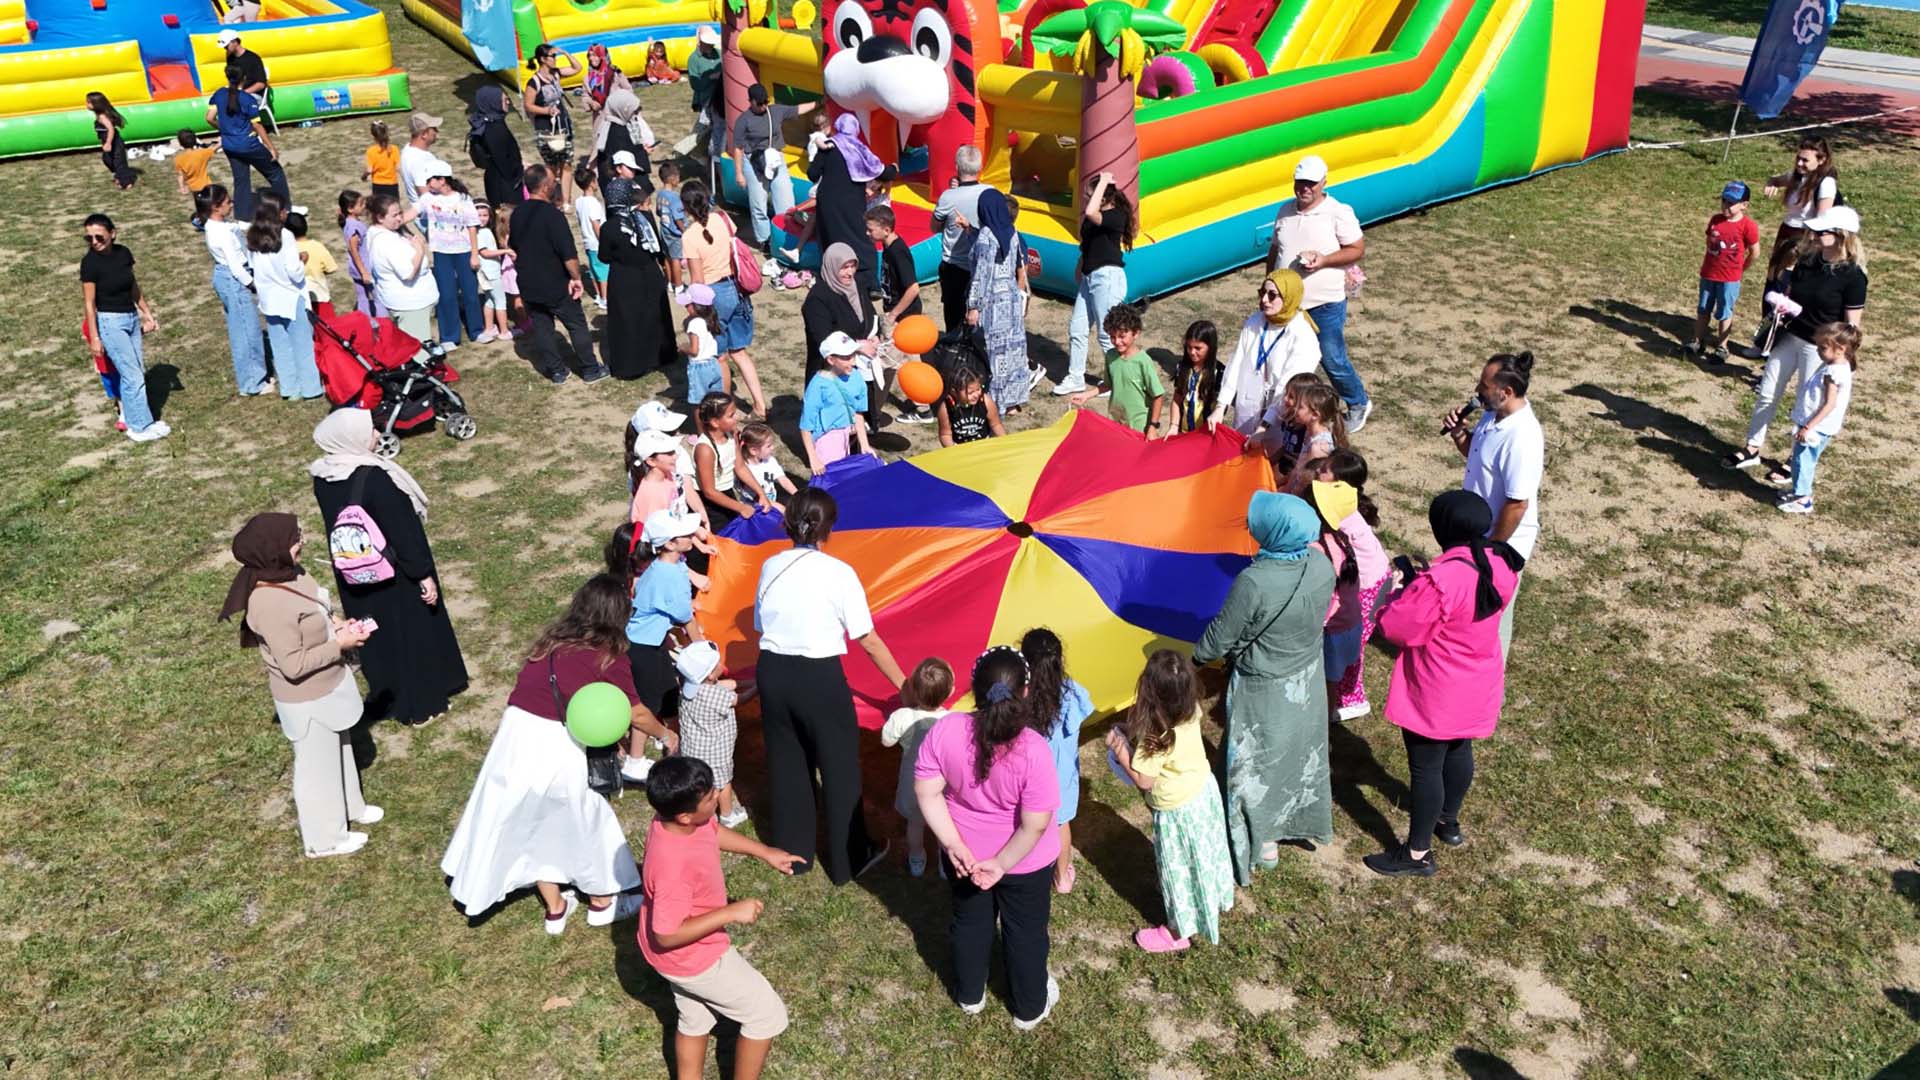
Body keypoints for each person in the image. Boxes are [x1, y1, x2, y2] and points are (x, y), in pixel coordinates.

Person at [440, 574, 646, 931]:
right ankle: (602, 900)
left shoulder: (550, 643)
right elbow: (635, 711)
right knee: (585, 816)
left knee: (522, 818)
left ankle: (555, 907)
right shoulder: (608, 657)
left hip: (516, 736)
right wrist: (666, 735)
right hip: (559, 741)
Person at [1361, 491, 1523, 877]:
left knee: (1425, 768)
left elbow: (1399, 629)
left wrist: (1402, 589)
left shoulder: (1441, 581)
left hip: (1437, 688)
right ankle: (1448, 821)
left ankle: (1417, 854)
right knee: (1459, 748)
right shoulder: (1501, 563)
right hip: (1477, 678)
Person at [754, 488, 907, 883]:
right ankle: (848, 861)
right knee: (839, 769)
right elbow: (867, 638)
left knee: (788, 764)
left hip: (772, 672)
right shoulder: (839, 573)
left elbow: (760, 625)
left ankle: (794, 855)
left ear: (789, 525)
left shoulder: (770, 566)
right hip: (819, 677)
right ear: (829, 530)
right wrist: (904, 685)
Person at [1192, 492, 1337, 883]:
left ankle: (1263, 839)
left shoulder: (1255, 581)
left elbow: (1222, 637)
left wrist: (1194, 661)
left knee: (1257, 762)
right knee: (1296, 750)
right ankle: (1298, 819)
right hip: (1306, 675)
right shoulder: (1322, 564)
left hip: (1264, 682)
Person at [914, 647, 1062, 1029]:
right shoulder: (1035, 750)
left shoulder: (945, 730)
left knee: (969, 921)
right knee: (1025, 932)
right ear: (1026, 692)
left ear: (974, 690)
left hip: (965, 854)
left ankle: (970, 995)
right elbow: (1034, 825)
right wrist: (1001, 863)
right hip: (1024, 862)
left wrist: (953, 845)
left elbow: (927, 793)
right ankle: (1029, 1009)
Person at [222, 512, 380, 858]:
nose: (302, 542)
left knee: (339, 750)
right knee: (315, 769)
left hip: (329, 685)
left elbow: (318, 611)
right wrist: (340, 645)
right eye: (295, 539)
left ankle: (350, 808)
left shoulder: (293, 573)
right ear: (273, 549)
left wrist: (340, 626)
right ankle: (324, 840)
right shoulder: (267, 603)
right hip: (307, 699)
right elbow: (293, 666)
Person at [640, 756, 800, 1080]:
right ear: (685, 815)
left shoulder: (678, 821)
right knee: (766, 1015)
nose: (718, 797)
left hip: (673, 961)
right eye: (711, 796)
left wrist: (764, 851)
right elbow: (667, 934)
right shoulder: (672, 867)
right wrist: (730, 912)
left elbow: (711, 835)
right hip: (694, 958)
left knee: (694, 1019)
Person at [310, 408, 468, 726]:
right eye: (370, 431)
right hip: (394, 574)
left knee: (376, 637)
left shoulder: (323, 475)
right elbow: (404, 532)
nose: (377, 436)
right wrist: (422, 574)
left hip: (355, 572)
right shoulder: (375, 477)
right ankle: (422, 702)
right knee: (411, 635)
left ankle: (388, 693)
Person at [1724, 207, 1867, 484]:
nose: (1811, 235)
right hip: (1789, 337)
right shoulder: (1807, 260)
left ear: (1840, 236)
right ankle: (1752, 448)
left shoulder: (1854, 277)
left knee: (1808, 403)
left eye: (1819, 231)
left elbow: (1852, 327)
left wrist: (1843, 361)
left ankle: (1794, 459)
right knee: (1767, 391)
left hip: (1820, 350)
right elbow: (1792, 295)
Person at [1105, 650, 1235, 951]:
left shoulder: (1156, 735)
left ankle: (1177, 933)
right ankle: (1211, 896)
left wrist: (1120, 748)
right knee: (1203, 855)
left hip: (1177, 811)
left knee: (1177, 867)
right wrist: (1132, 732)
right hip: (1202, 793)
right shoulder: (1190, 710)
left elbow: (1144, 779)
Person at [1444, 350, 1543, 658]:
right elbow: (1479, 456)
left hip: (1502, 542)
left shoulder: (1523, 438)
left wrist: (1490, 550)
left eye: (1483, 385)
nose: (1477, 390)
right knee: (1473, 609)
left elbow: (1517, 504)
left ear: (1507, 391)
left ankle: (1489, 683)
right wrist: (1461, 435)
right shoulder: (1493, 414)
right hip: (1480, 534)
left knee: (1493, 615)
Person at [1266, 155, 1369, 431]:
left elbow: (1356, 249)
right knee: (1288, 358)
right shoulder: (1285, 212)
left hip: (1324, 303)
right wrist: (1269, 284)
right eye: (1300, 182)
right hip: (1288, 304)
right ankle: (1291, 410)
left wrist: (1323, 260)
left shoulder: (1337, 212)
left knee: (1331, 357)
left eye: (1310, 183)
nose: (1304, 188)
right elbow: (1275, 250)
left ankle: (1358, 402)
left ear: (1323, 182)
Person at [511, 163, 609, 384]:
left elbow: (515, 246)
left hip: (528, 283)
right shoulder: (553, 216)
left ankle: (556, 371)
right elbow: (568, 254)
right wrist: (576, 278)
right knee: (576, 324)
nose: (556, 184)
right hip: (555, 283)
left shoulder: (517, 213)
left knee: (543, 328)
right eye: (553, 182)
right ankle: (591, 369)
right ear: (545, 186)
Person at [622, 508, 701, 781]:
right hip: (645, 648)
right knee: (651, 702)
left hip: (649, 643)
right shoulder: (667, 574)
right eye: (686, 535)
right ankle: (635, 761)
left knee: (667, 697)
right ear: (669, 543)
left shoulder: (670, 565)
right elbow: (684, 616)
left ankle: (673, 750)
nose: (692, 536)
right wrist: (702, 649)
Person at [1310, 451, 1388, 720]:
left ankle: (1353, 698)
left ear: (1339, 483)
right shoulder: (1340, 504)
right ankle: (1341, 691)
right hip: (1366, 580)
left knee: (1353, 644)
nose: (1320, 471)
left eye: (1325, 470)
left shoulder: (1337, 514)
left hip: (1368, 585)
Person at [680, 180, 768, 414]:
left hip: (713, 295)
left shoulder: (690, 237)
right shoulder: (723, 219)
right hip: (736, 288)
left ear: (686, 207)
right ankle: (760, 405)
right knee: (739, 350)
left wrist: (693, 309)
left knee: (719, 356)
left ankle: (724, 408)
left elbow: (697, 279)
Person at [79, 214, 167, 442]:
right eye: (88, 238)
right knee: (132, 375)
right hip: (110, 322)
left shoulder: (123, 254)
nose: (94, 241)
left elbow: (133, 286)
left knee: (136, 370)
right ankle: (139, 427)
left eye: (99, 236)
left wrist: (146, 312)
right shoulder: (90, 264)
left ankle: (140, 420)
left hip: (129, 318)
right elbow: (89, 304)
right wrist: (95, 337)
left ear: (112, 233)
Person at [1018, 629, 1089, 895]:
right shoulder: (1073, 694)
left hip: (1031, 778)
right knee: (1060, 825)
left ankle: (1025, 868)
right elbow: (1079, 719)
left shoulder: (1020, 697)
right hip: (1062, 779)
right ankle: (1062, 878)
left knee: (1026, 824)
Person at [1751, 136, 1838, 354]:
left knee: (1787, 291)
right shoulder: (1796, 177)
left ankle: (1777, 345)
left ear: (1821, 159)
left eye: (1805, 160)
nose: (1799, 164)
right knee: (1772, 287)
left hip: (1804, 238)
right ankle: (1764, 341)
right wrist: (1771, 182)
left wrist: (1807, 249)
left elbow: (1823, 221)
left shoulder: (1825, 184)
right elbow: (1776, 179)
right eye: (1798, 158)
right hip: (1786, 233)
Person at [1209, 270, 1322, 434]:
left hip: (1281, 412)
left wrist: (1265, 425)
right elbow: (1236, 363)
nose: (1264, 300)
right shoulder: (1255, 321)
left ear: (1289, 297)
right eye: (1262, 293)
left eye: (1272, 295)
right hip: (1248, 404)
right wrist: (1221, 405)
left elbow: (1290, 385)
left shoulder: (1302, 335)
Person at [598, 156, 677, 379]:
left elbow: (604, 256)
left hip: (624, 278)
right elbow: (657, 249)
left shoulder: (610, 228)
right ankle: (661, 356)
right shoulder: (644, 217)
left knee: (629, 321)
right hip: (650, 272)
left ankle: (633, 365)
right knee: (654, 315)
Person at [1059, 171, 1133, 396]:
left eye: (1089, 195)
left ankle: (1116, 380)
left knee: (1107, 332)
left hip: (1107, 278)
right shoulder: (1092, 218)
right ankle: (1075, 377)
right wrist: (1080, 266)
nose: (1085, 200)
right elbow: (1087, 243)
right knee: (1077, 328)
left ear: (1103, 198)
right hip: (1090, 277)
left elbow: (1091, 211)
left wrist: (1102, 181)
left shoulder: (1114, 217)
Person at [881, 658, 956, 877]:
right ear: (951, 691)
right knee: (945, 827)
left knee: (915, 824)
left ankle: (916, 859)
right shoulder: (952, 720)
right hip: (943, 786)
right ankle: (945, 865)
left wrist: (893, 721)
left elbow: (887, 740)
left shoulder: (902, 717)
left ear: (912, 689)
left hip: (913, 784)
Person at [1778, 322, 1861, 515]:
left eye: (1822, 348)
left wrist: (1808, 426)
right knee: (1806, 459)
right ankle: (1798, 492)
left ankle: (1803, 499)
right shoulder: (1843, 366)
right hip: (1825, 426)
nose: (1818, 351)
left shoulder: (1832, 372)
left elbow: (1829, 404)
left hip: (1817, 427)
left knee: (1802, 460)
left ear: (1840, 349)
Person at [245, 195, 321, 399]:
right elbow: (294, 272)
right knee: (303, 344)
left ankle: (289, 388)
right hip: (291, 297)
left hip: (269, 300)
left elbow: (254, 267)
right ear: (276, 214)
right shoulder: (285, 235)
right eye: (283, 210)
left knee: (281, 346)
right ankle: (311, 388)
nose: (287, 213)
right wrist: (302, 258)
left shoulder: (252, 236)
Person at [965, 189, 1033, 414]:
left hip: (992, 303)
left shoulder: (986, 235)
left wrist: (973, 305)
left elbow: (981, 274)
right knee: (1012, 351)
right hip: (1011, 300)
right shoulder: (1010, 232)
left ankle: (995, 404)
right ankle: (1012, 401)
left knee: (994, 353)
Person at [199, 184, 270, 396]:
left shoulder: (215, 226)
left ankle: (252, 378)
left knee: (240, 328)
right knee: (248, 332)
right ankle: (253, 383)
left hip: (225, 278)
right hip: (234, 279)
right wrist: (253, 284)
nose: (231, 204)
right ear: (216, 207)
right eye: (228, 202)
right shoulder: (222, 233)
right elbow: (235, 265)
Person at [674, 640, 751, 827]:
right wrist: (757, 688)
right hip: (716, 752)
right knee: (722, 783)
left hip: (694, 750)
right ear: (709, 674)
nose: (721, 665)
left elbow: (724, 685)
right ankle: (727, 815)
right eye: (717, 664)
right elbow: (738, 699)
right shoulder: (715, 696)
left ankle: (698, 808)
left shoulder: (688, 689)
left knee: (699, 782)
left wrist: (742, 682)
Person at [1687, 180, 1760, 362]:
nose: (1726, 206)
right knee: (1703, 308)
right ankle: (1697, 340)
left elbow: (1755, 252)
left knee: (1724, 311)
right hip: (1709, 274)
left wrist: (1741, 270)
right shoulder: (1715, 220)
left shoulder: (1747, 226)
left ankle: (1722, 346)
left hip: (1730, 279)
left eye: (1731, 203)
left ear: (1744, 205)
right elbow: (1709, 241)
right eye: (1724, 201)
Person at [416, 162, 487, 346]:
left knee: (470, 293)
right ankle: (449, 336)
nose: (427, 183)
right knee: (446, 295)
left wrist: (474, 254)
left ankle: (476, 330)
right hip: (441, 253)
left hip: (463, 252)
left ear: (442, 180)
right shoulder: (428, 199)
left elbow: (472, 226)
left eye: (430, 179)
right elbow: (411, 213)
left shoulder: (463, 199)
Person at [809, 113, 884, 286]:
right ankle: (870, 282)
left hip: (828, 203)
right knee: (860, 238)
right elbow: (878, 169)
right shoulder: (860, 149)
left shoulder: (828, 147)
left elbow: (813, 174)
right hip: (854, 203)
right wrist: (893, 170)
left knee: (830, 238)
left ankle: (832, 278)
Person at [730, 85, 807, 253]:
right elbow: (738, 148)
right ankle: (764, 240)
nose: (764, 107)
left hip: (774, 159)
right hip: (754, 162)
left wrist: (820, 103)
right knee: (758, 203)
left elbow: (797, 109)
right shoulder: (743, 120)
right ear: (750, 102)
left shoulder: (775, 111)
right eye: (760, 104)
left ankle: (785, 235)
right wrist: (739, 173)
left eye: (766, 102)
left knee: (786, 201)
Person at [206, 62, 287, 220]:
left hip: (230, 145)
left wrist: (224, 129)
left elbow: (209, 118)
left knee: (241, 180)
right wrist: (271, 147)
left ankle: (242, 217)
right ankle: (284, 209)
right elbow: (257, 125)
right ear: (244, 78)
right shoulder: (247, 99)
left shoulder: (219, 94)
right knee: (275, 173)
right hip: (248, 144)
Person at [801, 242, 880, 387]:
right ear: (832, 266)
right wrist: (857, 346)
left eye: (852, 266)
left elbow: (870, 316)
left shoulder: (857, 286)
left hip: (860, 372)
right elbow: (823, 340)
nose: (850, 272)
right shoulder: (818, 298)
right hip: (831, 375)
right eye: (844, 267)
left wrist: (875, 336)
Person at [365, 193, 440, 342]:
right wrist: (419, 249)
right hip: (410, 305)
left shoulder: (388, 233)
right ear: (380, 218)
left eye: (400, 213)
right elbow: (408, 273)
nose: (400, 218)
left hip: (413, 303)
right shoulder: (386, 242)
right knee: (418, 349)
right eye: (394, 215)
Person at [931, 147, 991, 330]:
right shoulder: (990, 192)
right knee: (980, 317)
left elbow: (934, 227)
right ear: (980, 167)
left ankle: (954, 352)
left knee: (954, 318)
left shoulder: (948, 197)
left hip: (954, 266)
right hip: (982, 264)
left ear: (956, 167)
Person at [800, 333, 875, 475]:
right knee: (831, 480)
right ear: (831, 359)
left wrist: (864, 444)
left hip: (848, 435)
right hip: (827, 439)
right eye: (846, 357)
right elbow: (805, 426)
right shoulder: (818, 385)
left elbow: (858, 412)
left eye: (853, 355)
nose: (852, 361)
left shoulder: (857, 376)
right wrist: (813, 458)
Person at [524, 43, 583, 206]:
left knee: (567, 164)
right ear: (543, 59)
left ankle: (566, 200)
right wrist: (546, 110)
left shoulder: (556, 74)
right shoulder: (534, 82)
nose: (555, 59)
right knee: (551, 167)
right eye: (553, 56)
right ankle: (551, 199)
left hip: (563, 125)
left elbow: (577, 68)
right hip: (546, 129)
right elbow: (528, 105)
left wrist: (565, 53)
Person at [1096, 303, 1166, 437]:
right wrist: (1086, 395)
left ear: (1136, 333)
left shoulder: (1143, 362)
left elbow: (1158, 395)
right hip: (1115, 421)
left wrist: (1152, 426)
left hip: (1139, 427)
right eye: (1112, 336)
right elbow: (1108, 385)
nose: (1117, 342)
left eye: (1122, 336)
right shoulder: (1111, 356)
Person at [692, 392, 760, 531]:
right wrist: (741, 507)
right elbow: (709, 491)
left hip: (727, 494)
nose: (737, 417)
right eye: (731, 415)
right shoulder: (705, 449)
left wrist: (761, 493)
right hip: (711, 505)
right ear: (715, 422)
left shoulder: (731, 435)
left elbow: (740, 467)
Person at [466, 84, 525, 209]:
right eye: (504, 100)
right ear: (493, 103)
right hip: (505, 186)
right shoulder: (495, 129)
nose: (508, 102)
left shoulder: (488, 122)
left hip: (496, 178)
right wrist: (519, 170)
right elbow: (504, 162)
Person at [592, 87, 655, 193]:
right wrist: (643, 152)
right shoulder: (617, 132)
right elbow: (625, 158)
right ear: (621, 109)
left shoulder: (616, 125)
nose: (635, 114)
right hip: (623, 189)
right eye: (633, 111)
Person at [1172, 320, 1223, 434]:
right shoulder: (1182, 367)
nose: (1192, 352)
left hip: (1206, 434)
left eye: (1198, 348)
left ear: (1210, 347)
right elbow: (1177, 399)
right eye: (1189, 347)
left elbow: (1221, 407)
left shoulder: (1219, 372)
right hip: (1183, 432)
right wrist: (1174, 426)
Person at [339, 189, 382, 319]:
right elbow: (354, 250)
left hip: (356, 268)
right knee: (377, 297)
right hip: (364, 268)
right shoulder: (354, 227)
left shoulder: (349, 223)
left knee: (362, 297)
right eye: (361, 204)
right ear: (351, 209)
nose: (364, 206)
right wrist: (364, 271)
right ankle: (381, 321)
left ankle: (366, 322)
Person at [218, 27, 272, 126]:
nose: (225, 49)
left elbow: (261, 84)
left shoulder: (253, 58)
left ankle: (241, 130)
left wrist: (241, 93)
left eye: (226, 46)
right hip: (238, 92)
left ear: (235, 42)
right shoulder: (230, 58)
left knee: (236, 102)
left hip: (253, 94)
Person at [937, 367, 1005, 446]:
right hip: (959, 448)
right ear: (954, 392)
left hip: (985, 444)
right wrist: (953, 452)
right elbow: (945, 435)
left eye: (978, 389)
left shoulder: (985, 401)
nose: (976, 395)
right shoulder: (946, 408)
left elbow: (996, 424)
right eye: (970, 392)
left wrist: (1004, 442)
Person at [688, 26, 725, 164]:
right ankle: (695, 151)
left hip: (721, 97)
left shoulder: (719, 53)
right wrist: (711, 77)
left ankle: (710, 152)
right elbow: (695, 84)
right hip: (707, 100)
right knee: (703, 127)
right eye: (707, 43)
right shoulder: (694, 59)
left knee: (716, 126)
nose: (710, 46)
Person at [289, 211, 339, 312]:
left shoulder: (288, 250)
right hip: (320, 297)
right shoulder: (317, 246)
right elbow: (331, 268)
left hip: (298, 301)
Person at [474, 201, 509, 340]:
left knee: (489, 300)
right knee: (501, 301)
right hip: (491, 272)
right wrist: (506, 251)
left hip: (484, 272)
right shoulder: (483, 233)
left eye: (485, 215)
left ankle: (489, 328)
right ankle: (504, 331)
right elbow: (485, 253)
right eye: (478, 215)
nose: (482, 218)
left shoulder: (477, 231)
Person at [739, 421, 795, 508]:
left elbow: (783, 479)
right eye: (768, 446)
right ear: (753, 450)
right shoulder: (745, 470)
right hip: (756, 509)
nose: (773, 448)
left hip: (771, 503)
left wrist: (798, 495)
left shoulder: (770, 460)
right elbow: (754, 498)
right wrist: (779, 507)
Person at [173, 129, 218, 225]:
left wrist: (182, 187)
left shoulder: (178, 159)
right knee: (211, 205)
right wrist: (223, 140)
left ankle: (202, 220)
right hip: (207, 186)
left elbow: (181, 175)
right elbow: (214, 148)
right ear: (195, 140)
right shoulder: (202, 153)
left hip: (194, 188)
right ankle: (210, 221)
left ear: (180, 143)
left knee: (200, 205)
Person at [657, 160, 688, 287]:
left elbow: (658, 212)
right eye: (678, 176)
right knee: (676, 259)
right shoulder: (674, 198)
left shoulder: (660, 195)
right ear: (672, 178)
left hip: (664, 231)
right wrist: (684, 231)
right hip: (675, 234)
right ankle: (679, 285)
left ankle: (669, 282)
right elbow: (678, 218)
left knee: (667, 257)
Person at [399, 113, 442, 204]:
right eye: (433, 129)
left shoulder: (407, 149)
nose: (437, 131)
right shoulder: (418, 160)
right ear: (424, 134)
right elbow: (426, 195)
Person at [362, 120, 400, 200]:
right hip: (392, 184)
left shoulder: (371, 151)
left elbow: (369, 170)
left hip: (378, 185)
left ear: (373, 136)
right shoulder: (394, 149)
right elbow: (398, 167)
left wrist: (364, 177)